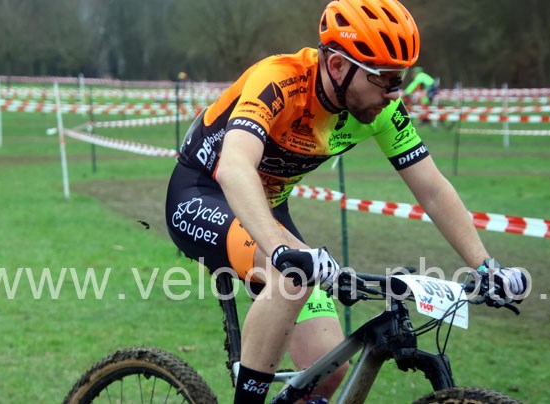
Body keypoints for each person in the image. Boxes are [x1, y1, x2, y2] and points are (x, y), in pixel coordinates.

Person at [165, 1, 527, 403]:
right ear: (338, 66)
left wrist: (485, 265)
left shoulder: (381, 109)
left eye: (400, 79)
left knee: (326, 369)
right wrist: (280, 249)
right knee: (291, 276)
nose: (394, 94)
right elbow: (234, 167)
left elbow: (433, 189)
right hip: (203, 196)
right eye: (384, 80)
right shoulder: (280, 80)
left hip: (267, 210)